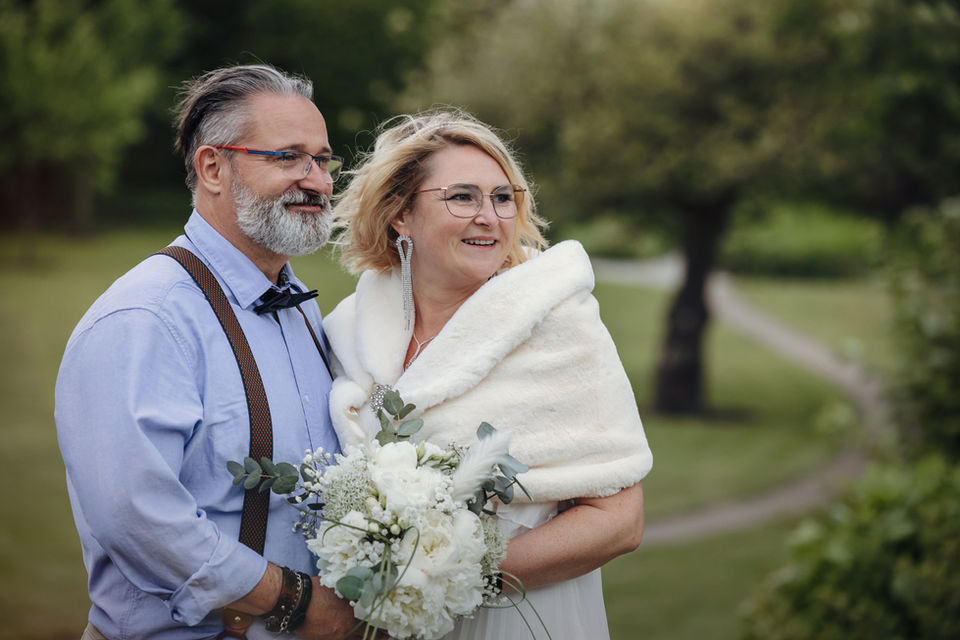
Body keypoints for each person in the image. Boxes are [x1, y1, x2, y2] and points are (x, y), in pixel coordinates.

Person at [55, 64, 362, 639]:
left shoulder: (298, 306)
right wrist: (294, 601)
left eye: (322, 160)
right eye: (289, 157)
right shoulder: (145, 319)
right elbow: (138, 516)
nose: (318, 181)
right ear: (213, 167)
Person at [324, 109, 653, 639]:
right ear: (400, 215)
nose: (491, 217)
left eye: (503, 198)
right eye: (463, 197)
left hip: (519, 617)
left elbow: (620, 521)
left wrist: (441, 580)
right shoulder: (350, 333)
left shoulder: (556, 325)